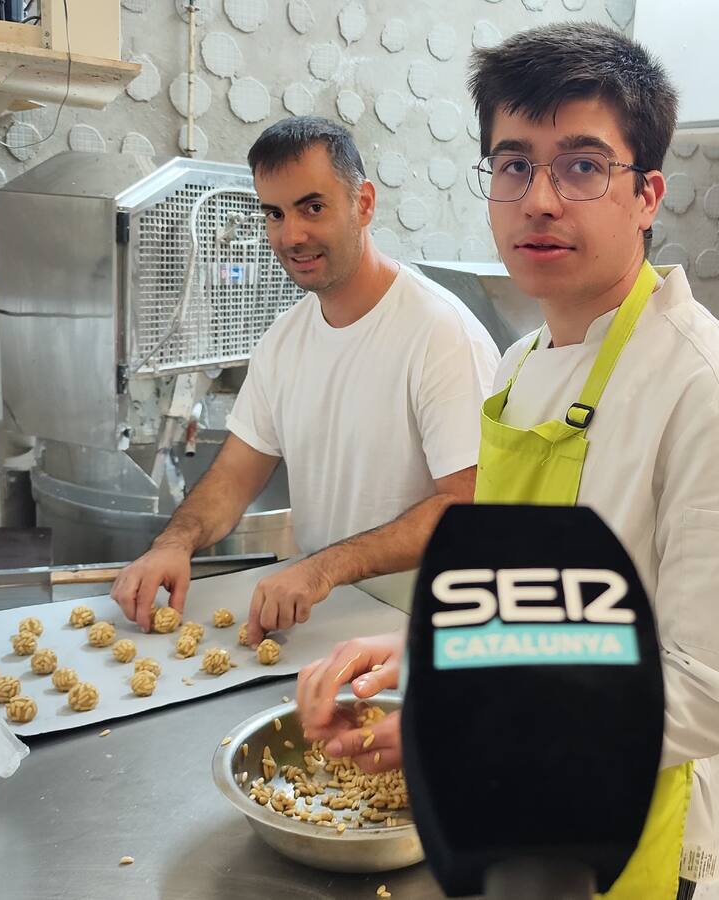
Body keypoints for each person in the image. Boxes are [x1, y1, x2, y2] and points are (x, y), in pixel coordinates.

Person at [297, 24, 719, 900]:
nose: (538, 200)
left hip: (621, 839)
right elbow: (529, 603)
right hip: (505, 818)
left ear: (646, 195)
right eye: (513, 164)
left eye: (582, 166)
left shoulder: (711, 392)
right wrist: (427, 654)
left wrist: (468, 724)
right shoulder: (522, 365)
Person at [112, 117, 499, 645]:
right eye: (275, 213)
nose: (291, 236)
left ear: (364, 203)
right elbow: (234, 475)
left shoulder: (440, 333)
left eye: (312, 208)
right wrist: (173, 544)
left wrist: (322, 568)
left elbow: (468, 506)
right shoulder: (284, 340)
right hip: (318, 628)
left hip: (416, 636)